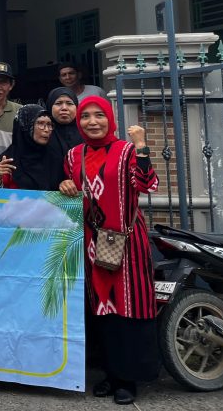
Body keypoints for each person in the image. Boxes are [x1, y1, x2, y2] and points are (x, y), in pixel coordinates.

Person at [59, 97, 159, 405]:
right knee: (101, 309)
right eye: (86, 116)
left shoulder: (126, 150)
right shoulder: (74, 155)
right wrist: (65, 185)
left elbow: (147, 184)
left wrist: (141, 145)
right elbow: (72, 191)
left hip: (126, 241)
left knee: (128, 306)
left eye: (99, 115)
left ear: (110, 119)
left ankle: (129, 378)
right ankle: (111, 374)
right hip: (91, 242)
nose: (92, 122)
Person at [0, 105, 60, 191]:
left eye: (49, 124)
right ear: (25, 126)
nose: (47, 129)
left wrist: (66, 184)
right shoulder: (8, 161)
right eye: (40, 123)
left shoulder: (56, 158)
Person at [45, 86, 83, 166]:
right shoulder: (43, 133)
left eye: (69, 103)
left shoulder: (86, 133)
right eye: (58, 103)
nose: (64, 108)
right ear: (50, 106)